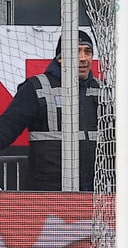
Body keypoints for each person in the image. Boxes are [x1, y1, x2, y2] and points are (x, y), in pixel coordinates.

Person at [0, 30, 98, 191]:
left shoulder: (103, 90)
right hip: (46, 195)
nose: (83, 58)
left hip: (94, 195)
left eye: (87, 52)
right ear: (60, 58)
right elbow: (5, 130)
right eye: (76, 51)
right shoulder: (36, 88)